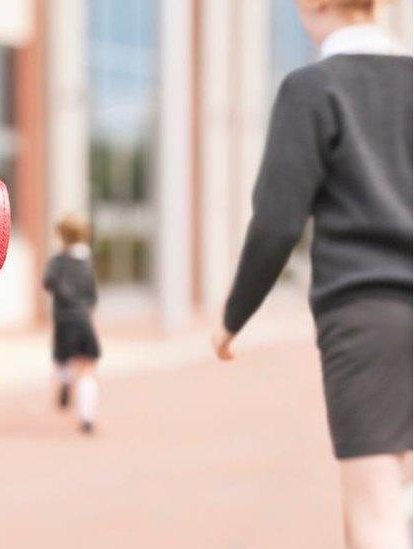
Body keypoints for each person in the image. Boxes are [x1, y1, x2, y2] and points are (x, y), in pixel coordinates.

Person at [211, 1, 412, 547]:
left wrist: (233, 318)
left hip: (366, 318)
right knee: (398, 497)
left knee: (375, 516)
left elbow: (277, 223)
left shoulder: (314, 88)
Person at [43, 214, 102, 433]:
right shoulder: (86, 264)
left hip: (63, 319)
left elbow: (48, 283)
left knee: (63, 358)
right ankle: (87, 417)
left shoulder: (57, 262)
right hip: (83, 318)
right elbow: (92, 295)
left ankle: (65, 379)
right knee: (88, 367)